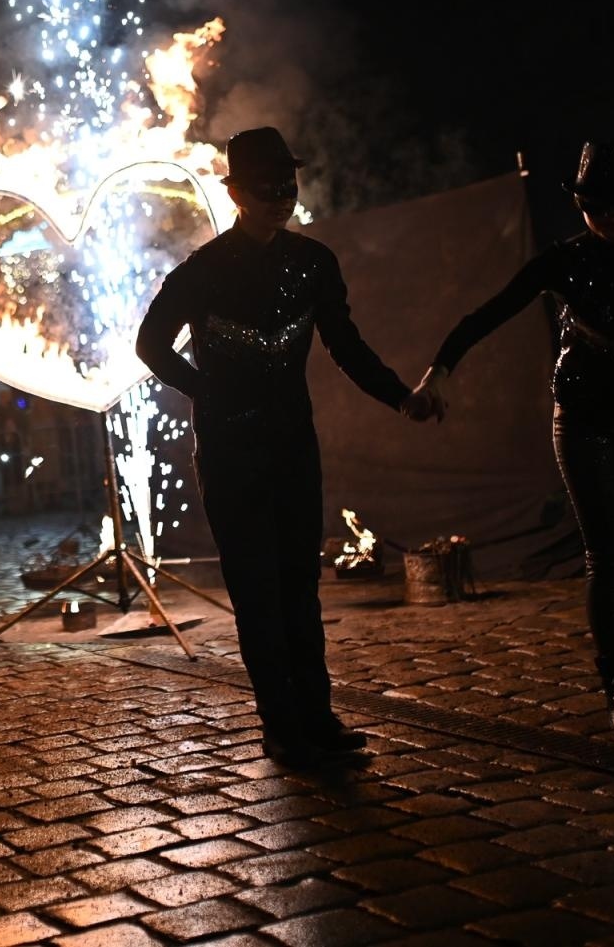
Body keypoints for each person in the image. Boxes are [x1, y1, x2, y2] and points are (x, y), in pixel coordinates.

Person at [136, 127, 434, 769]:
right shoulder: (203, 271)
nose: (280, 197)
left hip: (293, 446)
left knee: (300, 589)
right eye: (265, 187)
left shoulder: (314, 262)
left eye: (287, 185)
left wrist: (400, 396)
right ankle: (282, 730)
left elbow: (346, 345)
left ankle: (317, 720)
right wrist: (207, 391)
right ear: (235, 193)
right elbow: (150, 344)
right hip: (230, 452)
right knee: (257, 593)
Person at [411, 140, 614, 743]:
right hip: (584, 416)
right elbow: (489, 314)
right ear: (580, 206)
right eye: (600, 207)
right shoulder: (563, 261)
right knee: (607, 557)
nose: (613, 216)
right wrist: (438, 372)